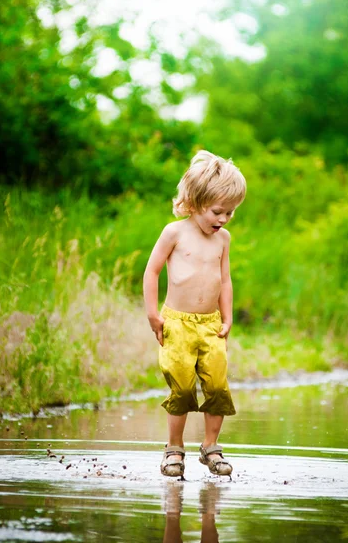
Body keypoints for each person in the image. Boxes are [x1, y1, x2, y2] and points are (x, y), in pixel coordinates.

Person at [143, 150, 246, 478]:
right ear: (196, 202)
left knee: (217, 387)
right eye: (218, 211)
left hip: (210, 325)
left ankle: (210, 447)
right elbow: (151, 272)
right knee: (182, 388)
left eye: (230, 212)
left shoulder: (224, 239)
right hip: (176, 323)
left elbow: (225, 279)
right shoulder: (174, 232)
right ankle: (174, 448)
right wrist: (152, 314)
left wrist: (227, 318)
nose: (224, 219)